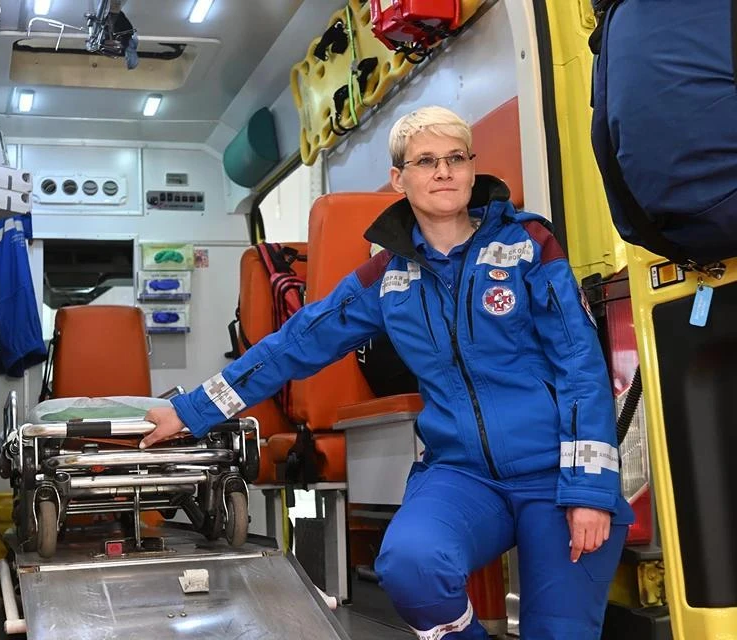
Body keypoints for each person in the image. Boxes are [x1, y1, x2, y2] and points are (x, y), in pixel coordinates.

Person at [140, 106, 635, 639]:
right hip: (463, 475)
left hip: (556, 472)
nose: (443, 172)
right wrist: (191, 410)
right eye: (426, 161)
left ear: (472, 169)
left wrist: (589, 490)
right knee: (410, 567)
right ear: (399, 179)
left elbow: (581, 364)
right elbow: (295, 343)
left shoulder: (527, 245)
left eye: (456, 158)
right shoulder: (387, 277)